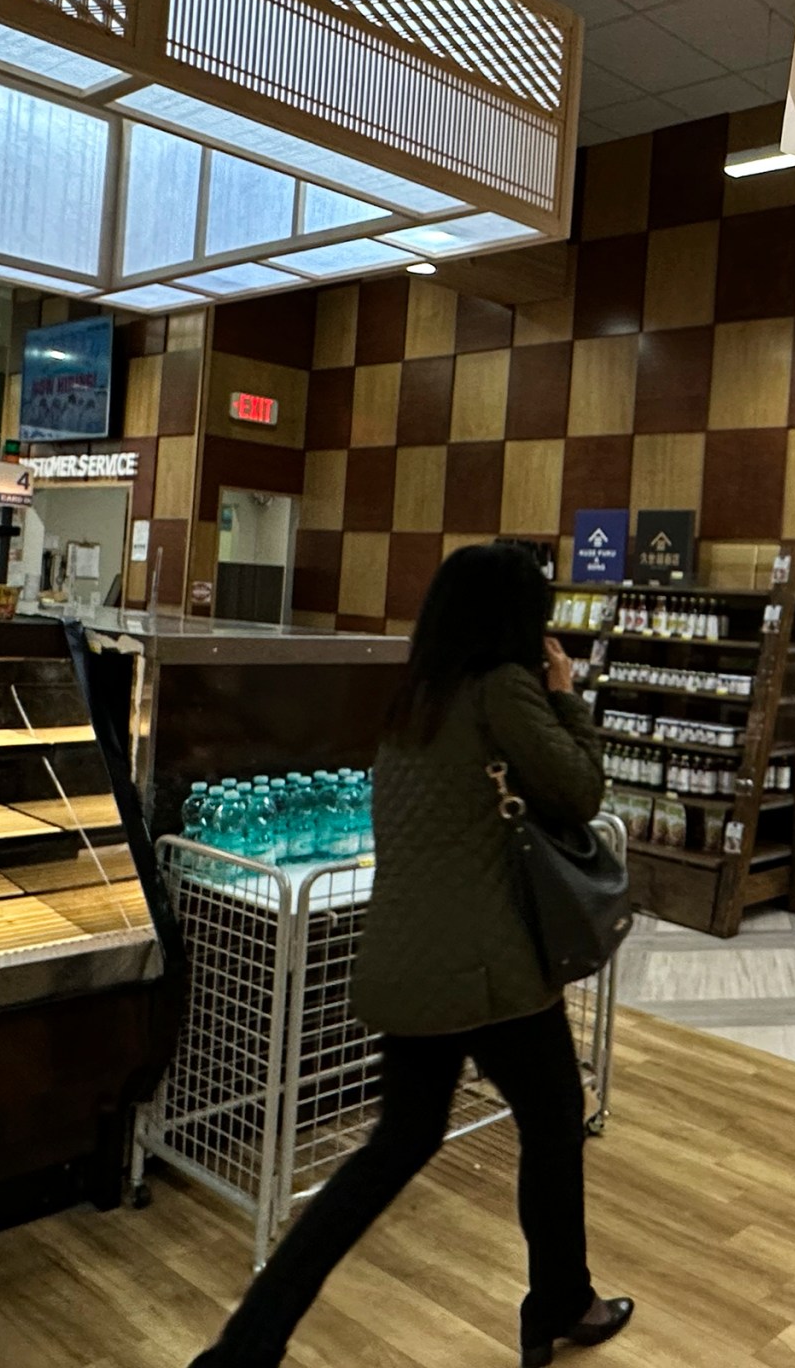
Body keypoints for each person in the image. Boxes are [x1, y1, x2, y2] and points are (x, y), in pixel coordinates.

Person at [192, 542, 631, 1368]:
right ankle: (559, 1302)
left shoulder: (416, 702)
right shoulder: (504, 691)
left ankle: (246, 1344)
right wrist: (566, 697)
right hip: (490, 972)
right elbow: (578, 791)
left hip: (406, 963)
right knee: (553, 1119)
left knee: (396, 1146)